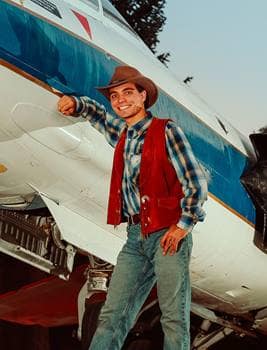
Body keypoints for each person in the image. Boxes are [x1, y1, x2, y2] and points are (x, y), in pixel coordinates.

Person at [58, 66, 207, 350]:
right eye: (114, 96)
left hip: (168, 234)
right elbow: (99, 116)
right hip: (135, 235)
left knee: (174, 318)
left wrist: (181, 227)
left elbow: (195, 181)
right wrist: (77, 104)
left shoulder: (166, 130)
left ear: (142, 97)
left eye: (128, 93)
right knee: (113, 314)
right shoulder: (124, 135)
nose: (120, 100)